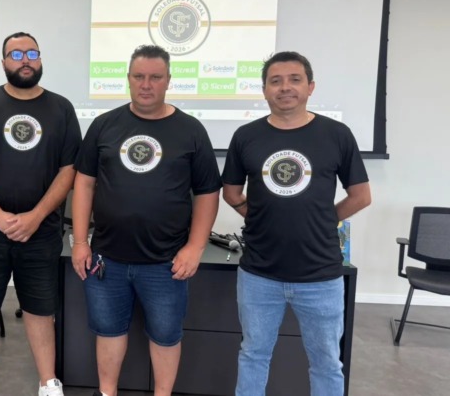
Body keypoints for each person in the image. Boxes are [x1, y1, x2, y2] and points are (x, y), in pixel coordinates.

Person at [71, 45, 221, 396]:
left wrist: (195, 247)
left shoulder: (190, 130)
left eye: (155, 77)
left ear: (169, 80)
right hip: (107, 257)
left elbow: (207, 193)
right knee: (108, 331)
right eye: (138, 76)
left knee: (166, 336)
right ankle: (107, 392)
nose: (146, 84)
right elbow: (84, 183)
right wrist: (79, 242)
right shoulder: (104, 125)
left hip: (166, 262)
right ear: (128, 79)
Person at [222, 51, 372, 396]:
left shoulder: (336, 134)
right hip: (259, 274)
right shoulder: (246, 136)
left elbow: (361, 196)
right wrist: (257, 217)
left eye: (294, 79)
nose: (284, 87)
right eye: (275, 81)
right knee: (253, 355)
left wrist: (323, 220)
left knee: (326, 363)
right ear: (264, 90)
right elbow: (231, 193)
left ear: (310, 87)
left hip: (321, 276)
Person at [0, 32, 81, 396]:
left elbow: (69, 169)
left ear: (40, 59)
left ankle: (48, 383)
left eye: (32, 53)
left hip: (41, 231)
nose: (26, 60)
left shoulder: (61, 108)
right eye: (17, 54)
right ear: (4, 61)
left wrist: (35, 216)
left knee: (40, 310)